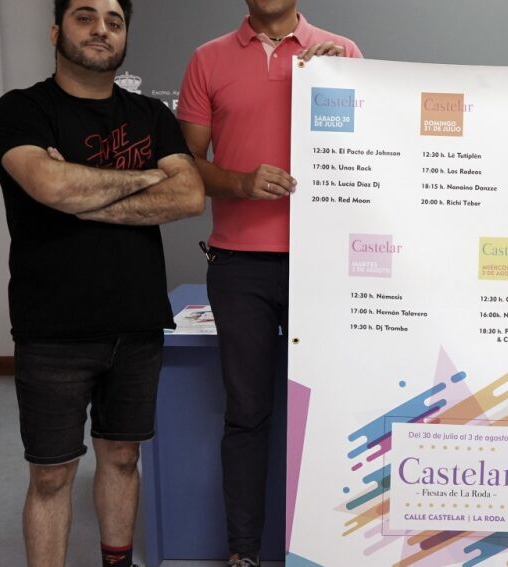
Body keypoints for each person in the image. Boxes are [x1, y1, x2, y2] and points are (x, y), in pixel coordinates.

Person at [0, 0, 205, 565]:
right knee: (52, 475)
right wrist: (146, 177)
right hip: (52, 326)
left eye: (114, 20)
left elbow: (188, 196)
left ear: (125, 35)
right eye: (84, 17)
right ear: (56, 31)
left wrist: (78, 192)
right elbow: (49, 185)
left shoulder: (151, 116)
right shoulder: (21, 109)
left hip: (136, 321)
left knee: (123, 458)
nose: (101, 29)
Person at [176, 1, 361, 565]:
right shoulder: (207, 59)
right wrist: (240, 182)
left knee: (332, 409)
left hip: (324, 263)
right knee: (247, 413)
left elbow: (371, 153)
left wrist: (340, 82)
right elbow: (185, 165)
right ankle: (243, 553)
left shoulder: (341, 52)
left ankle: (333, 549)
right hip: (239, 266)